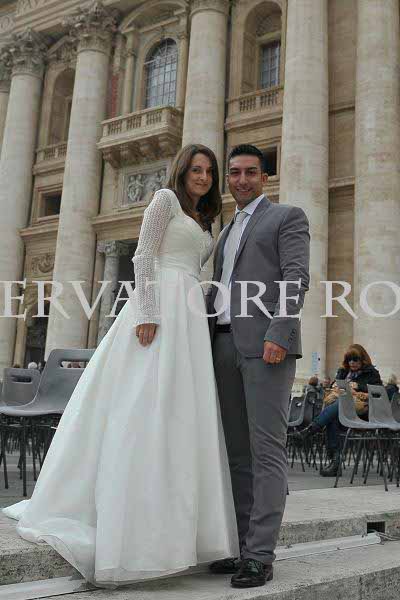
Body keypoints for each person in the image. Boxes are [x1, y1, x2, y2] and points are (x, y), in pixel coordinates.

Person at [2, 144, 239, 588]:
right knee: (142, 402)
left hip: (189, 314)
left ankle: (176, 523)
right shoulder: (165, 200)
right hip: (160, 308)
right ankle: (129, 517)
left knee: (179, 411)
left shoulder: (205, 217)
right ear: (182, 171)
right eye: (196, 169)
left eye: (209, 171)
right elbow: (143, 255)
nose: (203, 177)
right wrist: (147, 312)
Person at [207, 144, 310, 588]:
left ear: (264, 177)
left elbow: (296, 277)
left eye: (251, 172)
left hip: (266, 346)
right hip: (222, 344)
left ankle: (260, 555)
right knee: (236, 453)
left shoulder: (286, 217)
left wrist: (279, 333)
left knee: (266, 451)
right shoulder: (226, 230)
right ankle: (242, 546)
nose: (242, 179)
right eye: (235, 173)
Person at [297, 344, 382, 477]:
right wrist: (336, 385)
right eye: (349, 359)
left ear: (363, 359)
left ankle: (311, 430)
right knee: (333, 418)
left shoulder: (372, 373)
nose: (352, 362)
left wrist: (359, 386)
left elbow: (379, 393)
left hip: (362, 412)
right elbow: (333, 386)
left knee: (339, 405)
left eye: (355, 359)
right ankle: (335, 463)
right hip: (341, 411)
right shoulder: (343, 372)